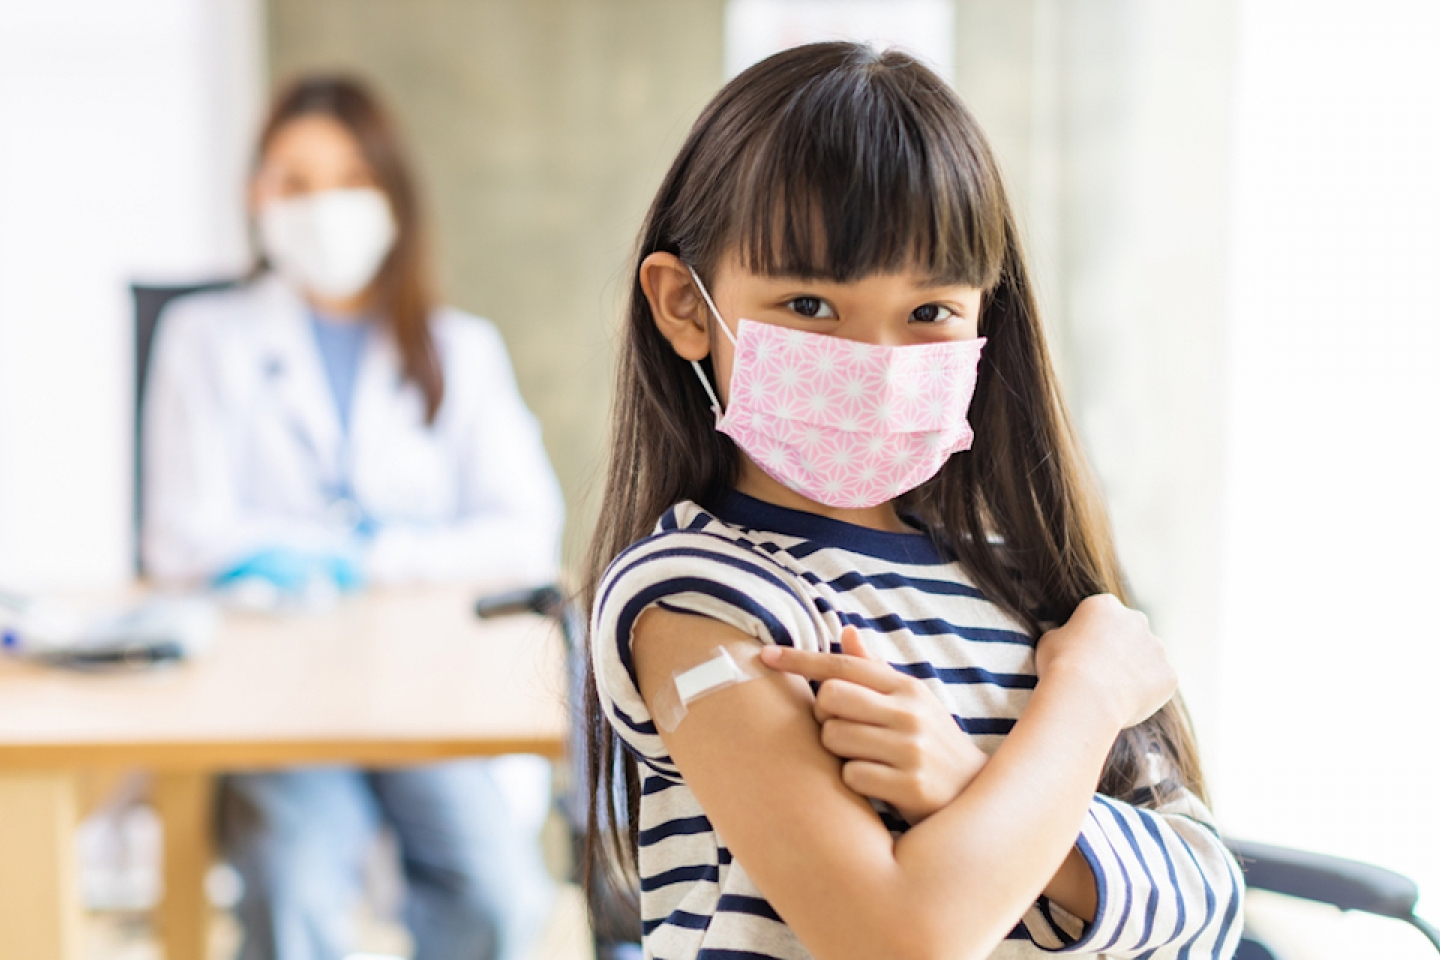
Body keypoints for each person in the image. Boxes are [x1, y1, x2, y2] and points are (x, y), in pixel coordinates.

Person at [583, 43, 1243, 960]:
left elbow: (1209, 903)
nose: (878, 363)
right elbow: (896, 936)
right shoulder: (698, 598)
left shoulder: (1020, 573)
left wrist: (967, 782)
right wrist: (1083, 702)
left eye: (930, 312)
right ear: (685, 306)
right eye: (810, 305)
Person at [143, 76, 561, 960]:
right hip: (276, 694)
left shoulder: (460, 349)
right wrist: (359, 556)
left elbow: (522, 531)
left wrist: (365, 558)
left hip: (428, 691)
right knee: (292, 886)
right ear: (257, 196)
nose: (323, 207)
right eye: (295, 182)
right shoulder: (203, 338)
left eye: (349, 179)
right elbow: (182, 536)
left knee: (494, 892)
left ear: (392, 197)